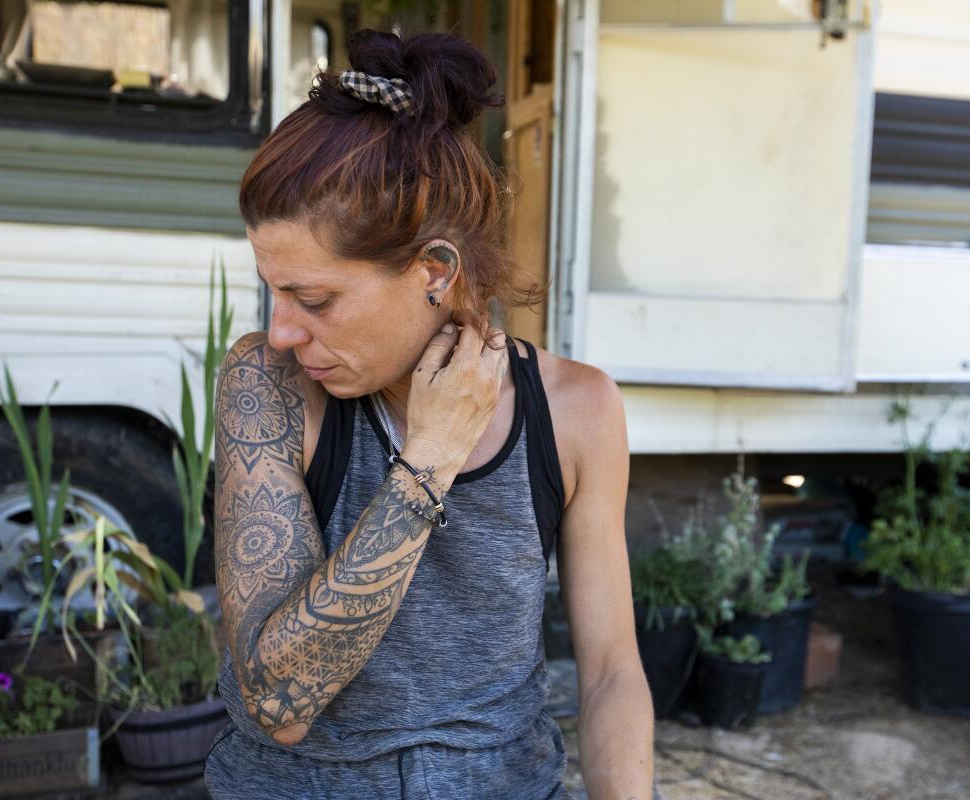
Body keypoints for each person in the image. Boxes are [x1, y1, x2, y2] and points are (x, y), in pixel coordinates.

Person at [203, 28, 654, 800]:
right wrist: (430, 459)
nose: (281, 330)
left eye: (314, 299)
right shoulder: (270, 385)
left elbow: (612, 670)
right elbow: (280, 702)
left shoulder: (577, 410)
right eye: (272, 290)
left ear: (434, 271)